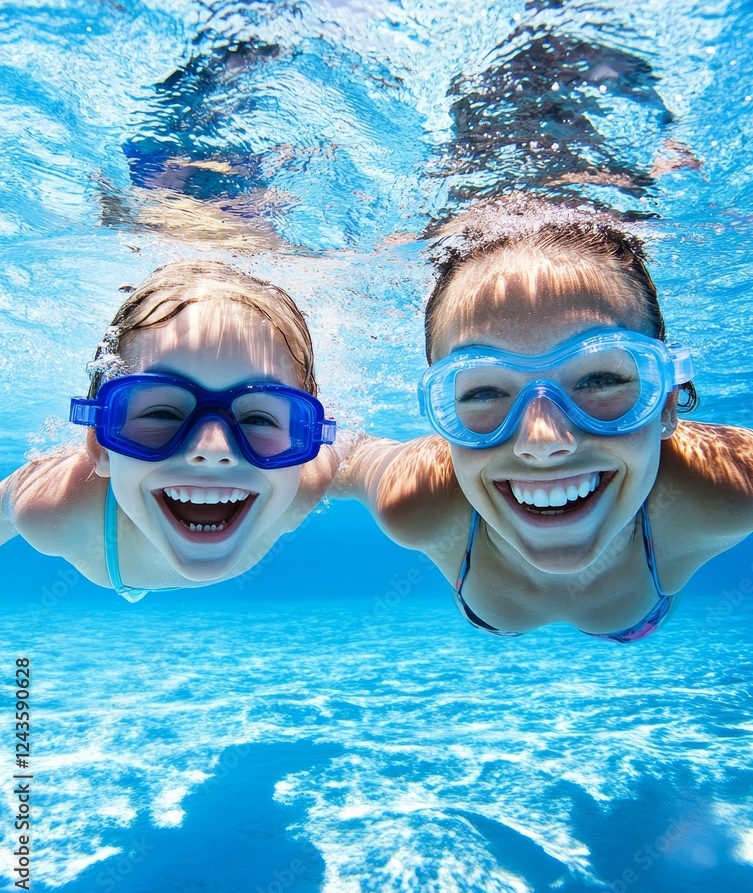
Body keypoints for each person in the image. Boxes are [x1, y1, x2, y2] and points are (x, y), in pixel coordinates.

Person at [335, 201, 753, 641]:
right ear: (444, 412)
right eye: (484, 391)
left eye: (599, 379)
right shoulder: (415, 501)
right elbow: (341, 454)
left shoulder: (729, 485)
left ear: (666, 402)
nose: (542, 440)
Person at [0, 261, 340, 600]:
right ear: (101, 447)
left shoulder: (304, 482)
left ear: (303, 448)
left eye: (258, 420)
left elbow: (367, 458)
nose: (213, 449)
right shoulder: (54, 510)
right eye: (162, 413)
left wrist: (391, 489)